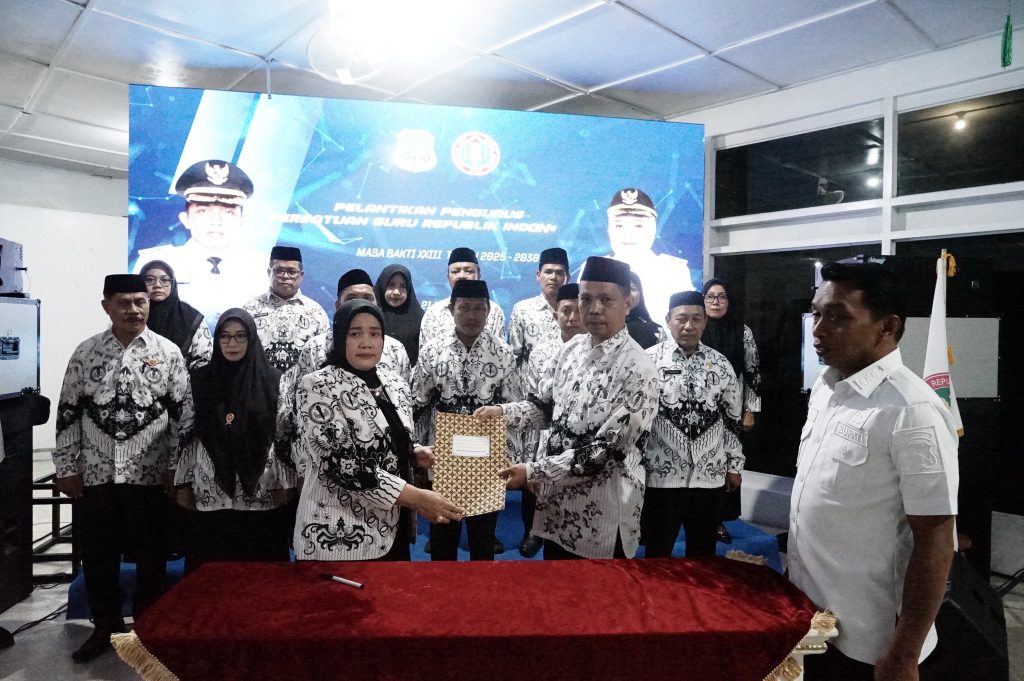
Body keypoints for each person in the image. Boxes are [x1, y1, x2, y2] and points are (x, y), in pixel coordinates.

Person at [791, 261, 958, 680]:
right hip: (808, 614)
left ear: (887, 326)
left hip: (868, 638)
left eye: (837, 317)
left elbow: (936, 536)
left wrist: (904, 653)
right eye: (816, 313)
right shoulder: (827, 388)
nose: (818, 330)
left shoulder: (911, 410)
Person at [477, 256, 658, 560]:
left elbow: (601, 453)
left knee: (597, 590)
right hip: (556, 508)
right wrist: (502, 413)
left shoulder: (639, 369)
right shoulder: (571, 349)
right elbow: (544, 408)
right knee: (557, 587)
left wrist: (532, 472)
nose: (594, 308)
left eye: (606, 299)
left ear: (627, 303)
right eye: (586, 299)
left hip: (601, 516)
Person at [53, 274, 193, 662]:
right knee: (99, 557)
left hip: (149, 477)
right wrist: (66, 466)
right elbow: (68, 411)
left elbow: (183, 416)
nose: (133, 310)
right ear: (106, 306)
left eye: (140, 302)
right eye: (123, 303)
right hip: (97, 476)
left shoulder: (167, 352)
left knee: (151, 558)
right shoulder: (86, 352)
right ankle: (106, 628)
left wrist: (176, 467)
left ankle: (147, 631)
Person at [293, 300, 462, 561]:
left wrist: (414, 452)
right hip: (341, 534)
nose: (366, 343)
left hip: (394, 527)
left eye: (374, 333)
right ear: (340, 337)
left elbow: (391, 434)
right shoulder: (317, 386)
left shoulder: (394, 383)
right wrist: (416, 498)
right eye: (355, 334)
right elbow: (340, 464)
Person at [173, 309, 296, 569]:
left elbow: (284, 435)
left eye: (241, 336)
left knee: (261, 574)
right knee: (211, 574)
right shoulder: (200, 380)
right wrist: (182, 482)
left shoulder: (274, 380)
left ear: (252, 340)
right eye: (225, 336)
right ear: (217, 340)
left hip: (262, 490)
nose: (232, 343)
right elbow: (185, 433)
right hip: (210, 488)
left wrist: (285, 483)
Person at [412, 279, 518, 560]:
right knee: (443, 540)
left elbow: (512, 408)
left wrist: (511, 455)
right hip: (443, 458)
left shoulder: (503, 353)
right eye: (465, 307)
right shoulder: (432, 351)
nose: (472, 315)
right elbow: (416, 405)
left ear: (489, 311)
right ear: (451, 309)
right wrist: (415, 450)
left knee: (483, 542)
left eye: (479, 308)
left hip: (488, 460)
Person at [642, 291, 743, 559]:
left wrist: (734, 465)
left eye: (696, 319)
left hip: (709, 477)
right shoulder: (647, 361)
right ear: (668, 320)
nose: (689, 326)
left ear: (705, 321)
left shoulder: (720, 364)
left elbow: (732, 419)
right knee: (657, 551)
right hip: (661, 476)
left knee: (702, 553)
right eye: (682, 318)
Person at [135, 159, 265, 323]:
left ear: (242, 220)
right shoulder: (155, 264)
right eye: (203, 211)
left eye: (228, 212)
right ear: (185, 219)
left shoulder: (263, 269)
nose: (216, 221)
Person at [515, 282, 584, 558]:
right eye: (566, 311)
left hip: (579, 436)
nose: (572, 318)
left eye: (578, 311)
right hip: (542, 429)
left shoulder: (595, 350)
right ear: (556, 314)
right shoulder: (541, 352)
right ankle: (532, 532)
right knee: (534, 482)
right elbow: (533, 400)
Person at [701, 277, 762, 544]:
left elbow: (752, 372)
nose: (716, 301)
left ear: (729, 301)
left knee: (727, 463)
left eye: (721, 296)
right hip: (699, 409)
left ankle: (718, 520)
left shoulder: (742, 332)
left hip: (731, 410)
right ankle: (697, 517)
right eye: (710, 296)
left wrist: (750, 410)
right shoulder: (696, 328)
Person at [605, 187, 694, 324]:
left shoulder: (674, 271)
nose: (628, 233)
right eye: (619, 226)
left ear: (653, 229)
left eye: (638, 226)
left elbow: (686, 323)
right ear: (609, 230)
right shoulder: (595, 269)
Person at [243, 245, 330, 372]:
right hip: (258, 382)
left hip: (302, 382)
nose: (285, 276)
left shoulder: (316, 312)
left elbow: (323, 356)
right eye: (279, 270)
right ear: (269, 272)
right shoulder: (250, 309)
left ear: (301, 275)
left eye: (292, 271)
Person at [419, 247, 505, 349]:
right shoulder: (434, 313)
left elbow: (499, 350)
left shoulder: (494, 311)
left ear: (478, 275)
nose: (461, 276)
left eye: (468, 271)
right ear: (448, 277)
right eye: (455, 271)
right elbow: (426, 352)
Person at [139, 260, 213, 371]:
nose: (157, 285)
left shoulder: (191, 318)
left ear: (172, 283)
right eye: (150, 279)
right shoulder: (133, 315)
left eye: (164, 280)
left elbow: (203, 362)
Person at [507, 247, 569, 370]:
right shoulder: (523, 310)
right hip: (531, 381)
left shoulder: (577, 312)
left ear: (568, 277)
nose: (553, 277)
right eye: (548, 272)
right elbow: (513, 357)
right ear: (538, 275)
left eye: (559, 273)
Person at [374, 264, 423, 366]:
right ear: (382, 286)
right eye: (391, 285)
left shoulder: (419, 318)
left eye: (403, 286)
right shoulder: (369, 316)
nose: (396, 292)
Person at [625, 271, 665, 350]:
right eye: (622, 289)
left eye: (632, 289)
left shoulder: (657, 331)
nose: (628, 294)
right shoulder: (602, 327)